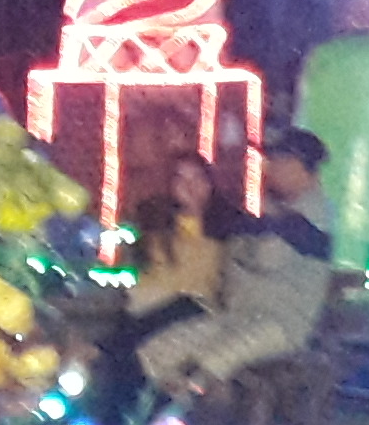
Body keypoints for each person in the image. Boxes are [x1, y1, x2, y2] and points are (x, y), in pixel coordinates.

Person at [143, 130, 339, 396]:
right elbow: (239, 244)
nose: (270, 169)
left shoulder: (310, 216)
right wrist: (248, 237)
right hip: (237, 315)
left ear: (299, 166)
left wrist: (244, 242)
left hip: (276, 326)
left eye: (278, 161)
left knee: (206, 366)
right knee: (159, 350)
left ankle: (191, 424)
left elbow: (264, 257)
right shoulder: (270, 210)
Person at [90, 146, 229, 425]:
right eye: (181, 179)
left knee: (129, 346)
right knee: (131, 347)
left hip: (198, 310)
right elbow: (150, 277)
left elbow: (208, 281)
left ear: (210, 183)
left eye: (197, 179)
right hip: (151, 308)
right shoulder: (157, 226)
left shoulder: (228, 228)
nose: (190, 188)